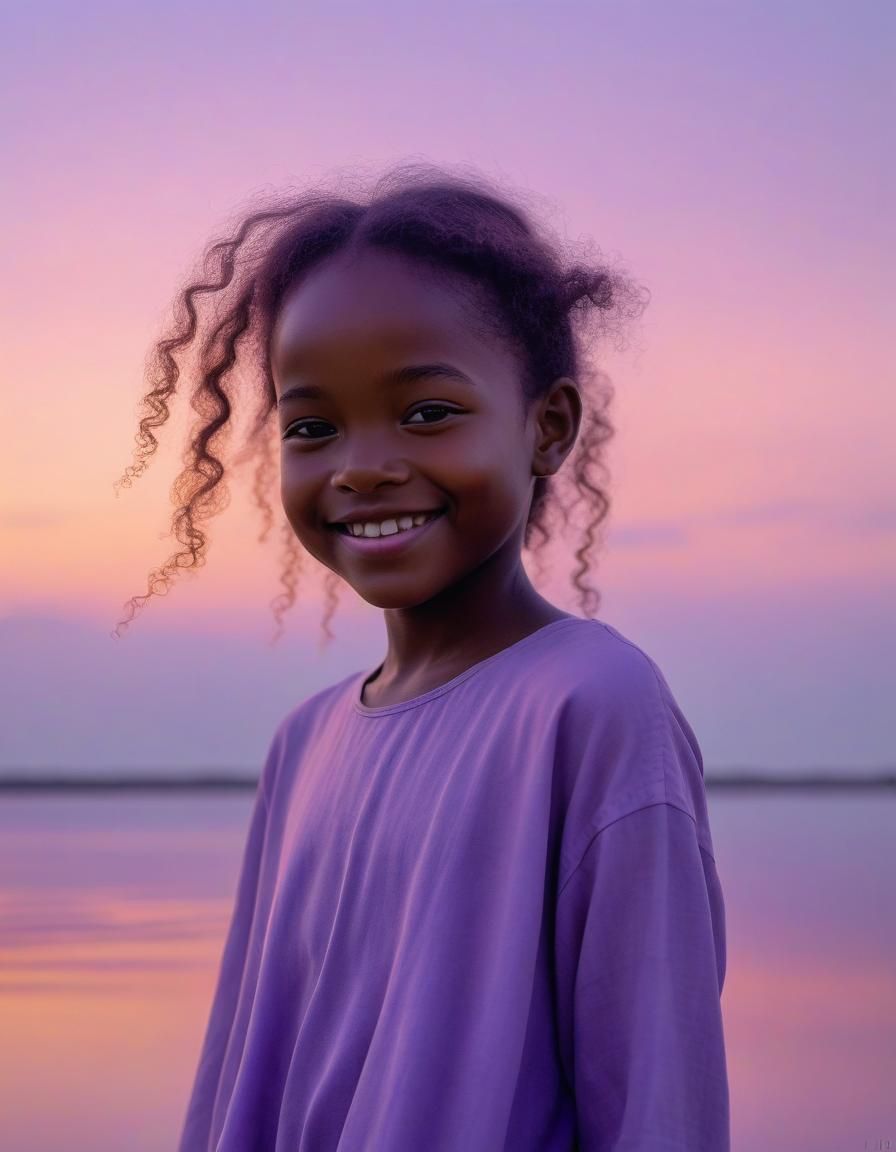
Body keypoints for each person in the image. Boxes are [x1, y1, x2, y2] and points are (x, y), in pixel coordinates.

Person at [113, 160, 730, 1150]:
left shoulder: (589, 705)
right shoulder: (303, 743)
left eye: (426, 412)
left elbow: (657, 1093)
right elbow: (242, 1068)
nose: (361, 465)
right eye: (312, 426)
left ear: (546, 427)